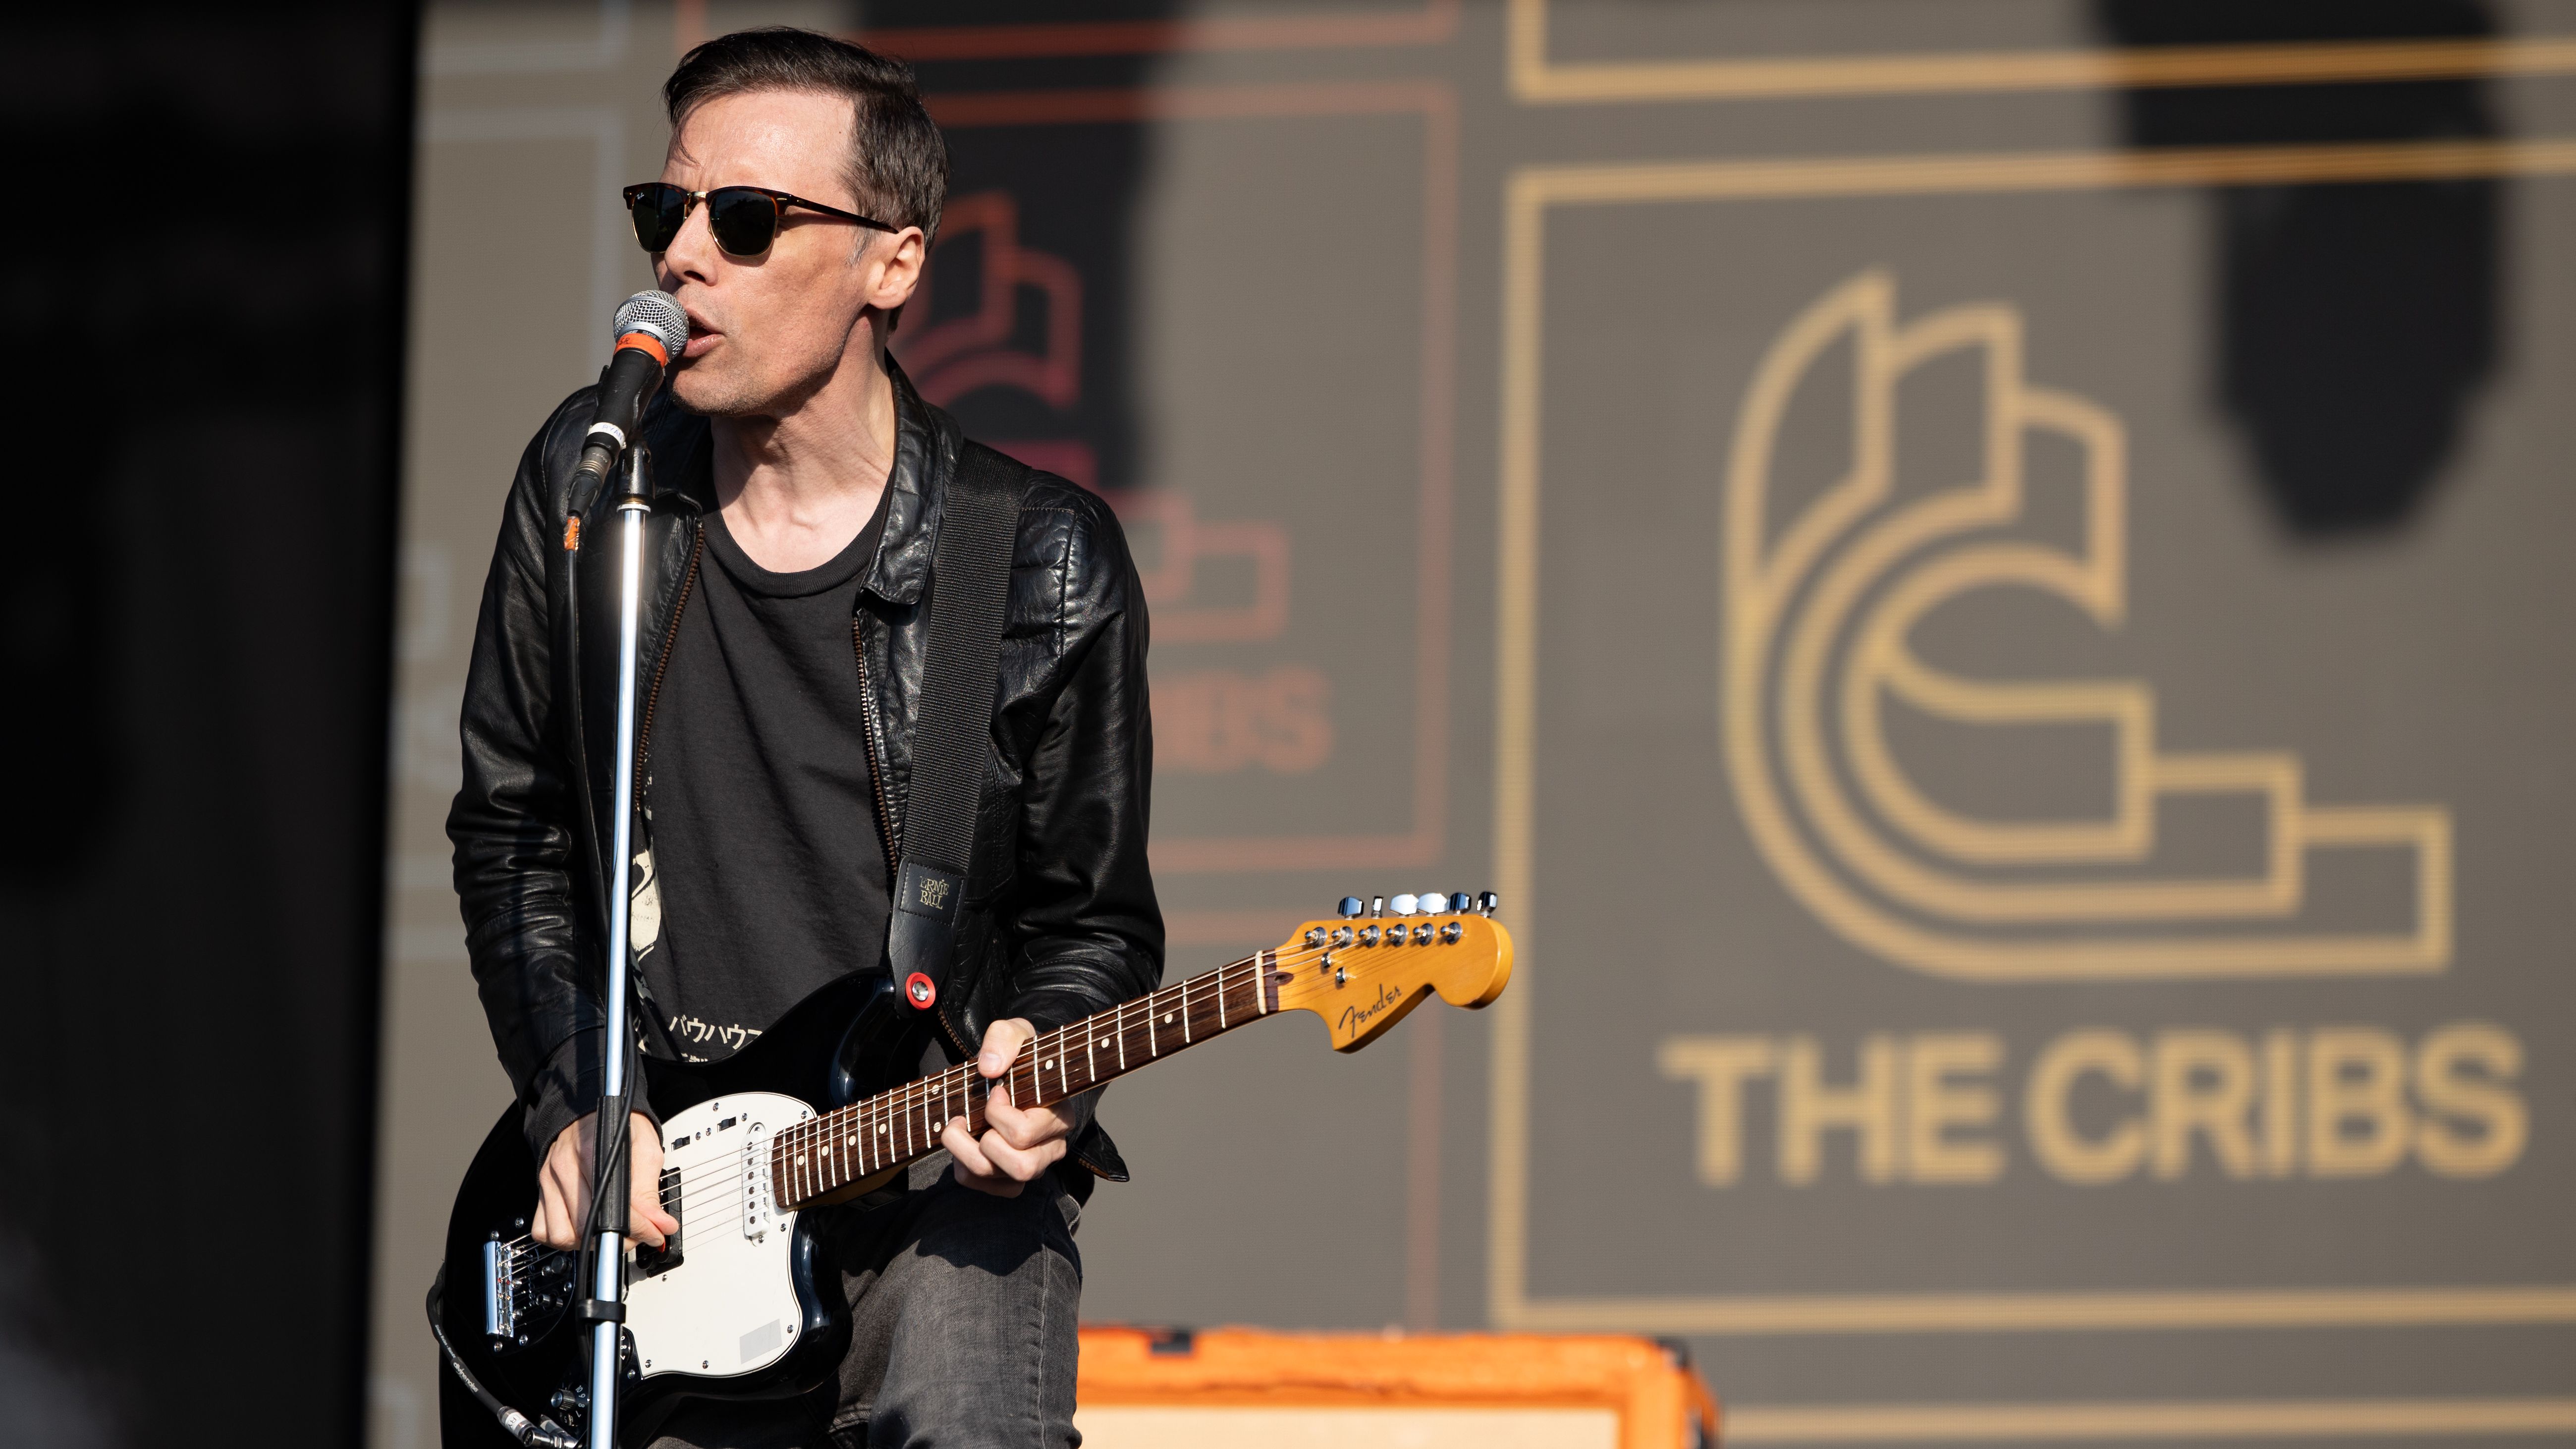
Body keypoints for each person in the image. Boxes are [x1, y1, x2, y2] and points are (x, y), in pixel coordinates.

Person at [445, 27, 1161, 1448]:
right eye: (668, 211)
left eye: (746, 220)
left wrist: (1054, 1072)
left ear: (892, 264)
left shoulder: (1038, 558)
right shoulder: (593, 487)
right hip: (660, 1186)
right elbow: (512, 829)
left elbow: (1091, 927)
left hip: (926, 1181)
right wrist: (577, 1097)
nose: (683, 258)